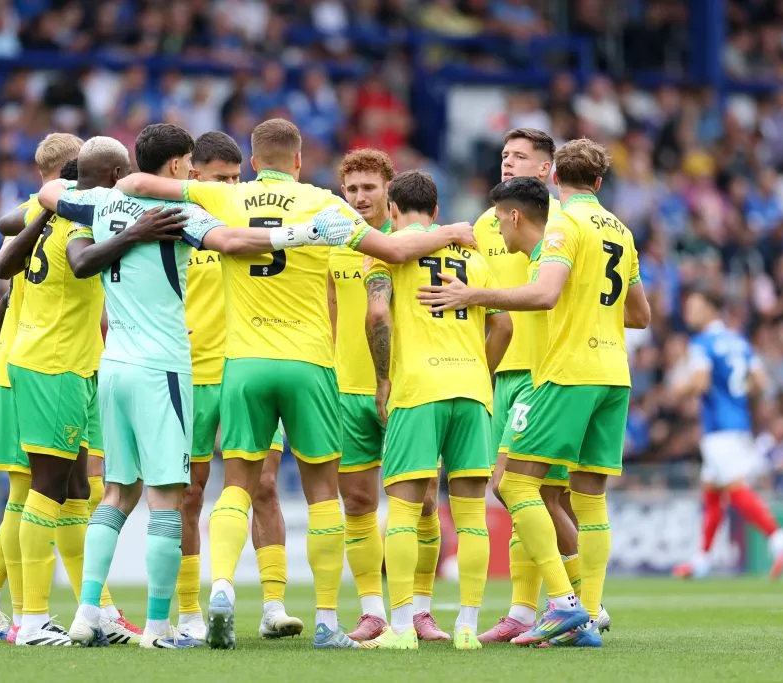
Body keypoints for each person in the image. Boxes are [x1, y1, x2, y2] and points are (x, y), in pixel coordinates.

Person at [114, 118, 477, 650]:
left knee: (234, 485)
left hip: (244, 363)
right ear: (300, 161)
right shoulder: (324, 205)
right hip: (310, 363)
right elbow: (398, 252)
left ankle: (220, 590)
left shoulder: (225, 199)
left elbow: (136, 184)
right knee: (323, 493)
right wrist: (449, 232)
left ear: (254, 163)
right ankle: (328, 620)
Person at [35, 126, 344, 648]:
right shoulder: (182, 215)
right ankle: (162, 626)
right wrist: (302, 234)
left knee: (115, 493)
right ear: (180, 167)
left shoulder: (96, 205)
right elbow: (230, 240)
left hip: (115, 365)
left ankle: (87, 611)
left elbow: (49, 192)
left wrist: (115, 195)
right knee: (167, 499)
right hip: (166, 368)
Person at [419, 139, 651, 647]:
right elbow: (640, 315)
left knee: (515, 484)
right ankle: (586, 615)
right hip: (614, 373)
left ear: (555, 178)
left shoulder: (563, 224)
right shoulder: (621, 229)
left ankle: (565, 605)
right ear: (599, 182)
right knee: (588, 500)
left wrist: (472, 294)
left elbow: (544, 294)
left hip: (566, 371)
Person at [0, 135, 170, 646]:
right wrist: (134, 230)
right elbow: (79, 262)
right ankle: (29, 620)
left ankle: (97, 611)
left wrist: (45, 204)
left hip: (58, 362)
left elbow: (4, 251)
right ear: (116, 178)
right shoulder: (83, 217)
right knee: (45, 490)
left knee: (75, 492)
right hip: (55, 365)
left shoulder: (55, 206)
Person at [360, 171, 504, 650]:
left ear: (393, 210)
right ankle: (466, 626)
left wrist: (383, 377)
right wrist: (477, 372)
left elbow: (378, 314)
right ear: (437, 211)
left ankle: (401, 628)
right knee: (470, 517)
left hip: (418, 388)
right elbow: (503, 326)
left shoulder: (386, 249)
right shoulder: (475, 257)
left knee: (403, 512)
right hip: (471, 390)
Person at [176, 131, 303, 642]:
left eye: (237, 177)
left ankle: (273, 605)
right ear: (195, 178)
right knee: (189, 493)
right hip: (190, 375)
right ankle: (188, 612)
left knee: (265, 486)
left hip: (244, 370)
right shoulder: (181, 224)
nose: (232, 186)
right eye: (221, 179)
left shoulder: (252, 221)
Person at [0, 134, 82, 644]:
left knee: (36, 491)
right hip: (37, 364)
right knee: (36, 492)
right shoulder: (63, 213)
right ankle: (20, 609)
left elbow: (10, 282)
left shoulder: (33, 212)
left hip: (14, 360)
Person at [471, 128, 587, 643]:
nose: (507, 162)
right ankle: (530, 609)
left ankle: (577, 604)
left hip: (545, 371)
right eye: (503, 154)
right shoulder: (483, 222)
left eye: (520, 156)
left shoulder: (561, 226)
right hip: (502, 371)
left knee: (545, 494)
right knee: (523, 493)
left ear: (546, 169)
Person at [330, 149, 448, 642]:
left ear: (389, 190)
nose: (360, 197)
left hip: (407, 387)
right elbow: (331, 313)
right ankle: (373, 610)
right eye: (352, 189)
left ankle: (420, 609)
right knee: (357, 503)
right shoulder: (331, 244)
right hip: (345, 390)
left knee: (421, 501)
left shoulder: (414, 245)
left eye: (369, 188)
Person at [672, 289, 783, 580]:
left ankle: (777, 536)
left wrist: (678, 389)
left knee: (734, 489)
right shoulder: (739, 342)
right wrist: (735, 395)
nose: (689, 313)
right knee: (712, 490)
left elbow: (700, 384)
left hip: (718, 429)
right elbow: (760, 383)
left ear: (711, 308)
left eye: (695, 306)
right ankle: (702, 559)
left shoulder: (702, 343)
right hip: (738, 423)